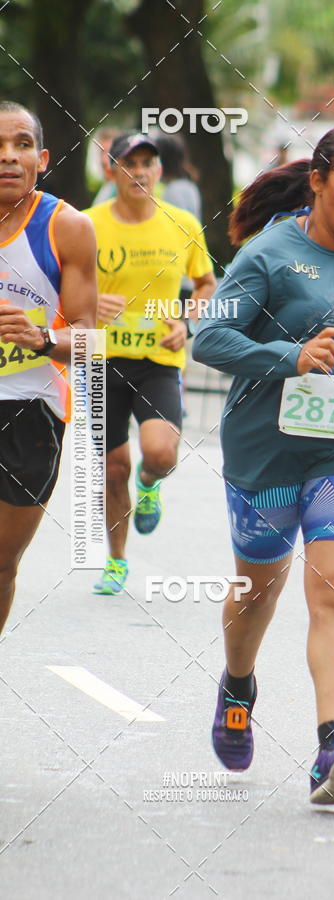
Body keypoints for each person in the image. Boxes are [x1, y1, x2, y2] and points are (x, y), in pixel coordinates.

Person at [193, 127, 334, 805]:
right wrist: (288, 358)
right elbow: (211, 336)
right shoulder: (269, 255)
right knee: (259, 590)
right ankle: (238, 683)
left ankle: (332, 747)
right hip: (265, 447)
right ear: (319, 181)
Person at [84, 131, 216, 596]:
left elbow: (204, 284)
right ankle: (116, 560)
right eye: (129, 163)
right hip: (101, 360)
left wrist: (188, 322)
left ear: (160, 171)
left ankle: (150, 484)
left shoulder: (182, 223)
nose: (139, 172)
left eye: (148, 164)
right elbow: (62, 285)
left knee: (159, 454)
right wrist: (91, 303)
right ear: (111, 169)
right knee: (113, 466)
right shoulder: (85, 224)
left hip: (159, 359)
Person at [0, 100, 97, 634]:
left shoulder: (68, 227)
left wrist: (41, 339)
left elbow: (89, 340)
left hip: (30, 411)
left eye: (20, 145)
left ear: (43, 157)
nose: (8, 157)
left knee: (2, 563)